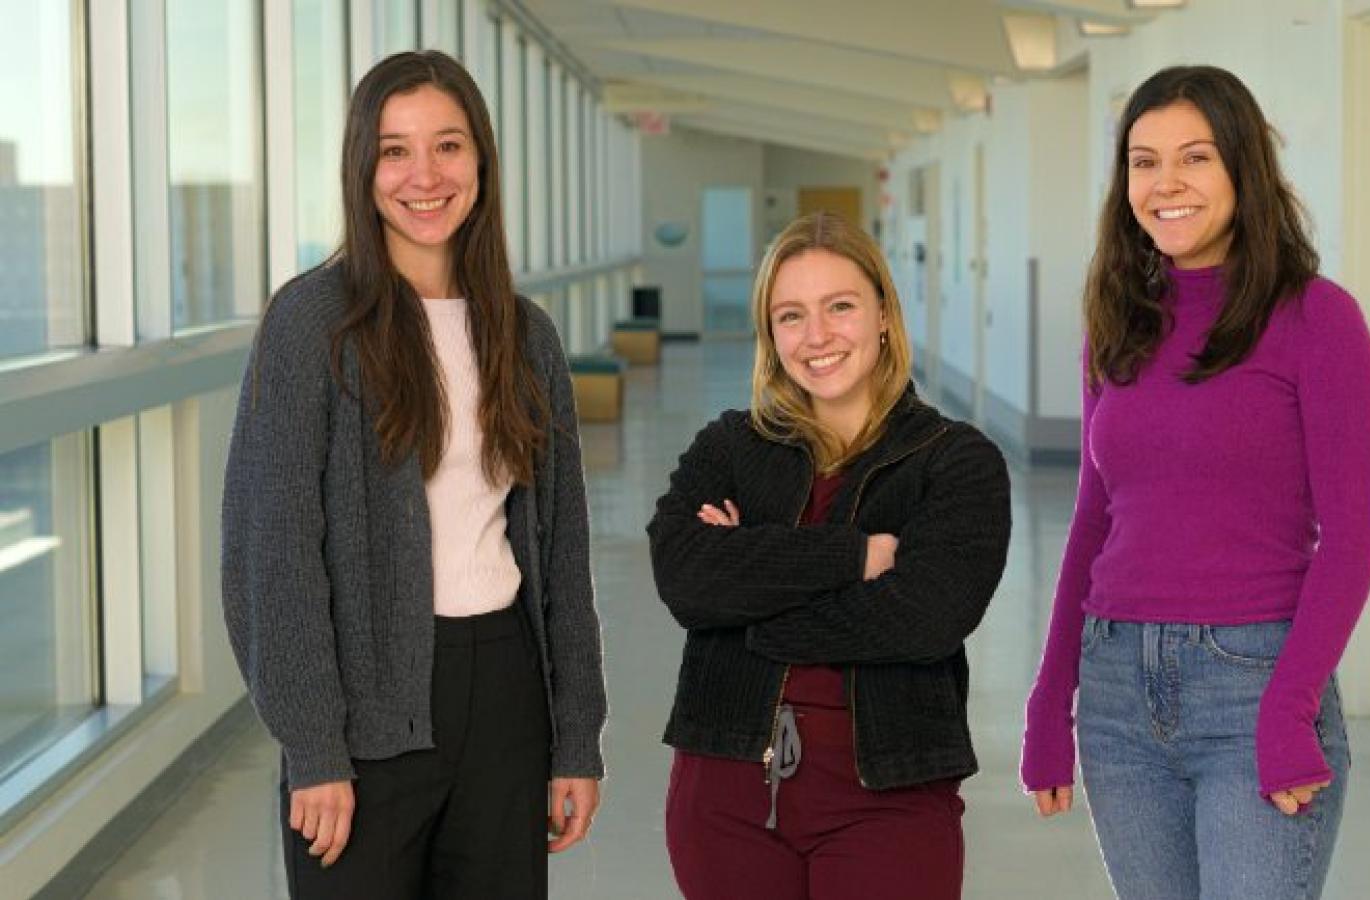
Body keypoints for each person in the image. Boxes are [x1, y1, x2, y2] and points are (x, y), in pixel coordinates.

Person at [221, 50, 605, 899]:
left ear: (482, 162)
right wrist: (313, 746)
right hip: (364, 712)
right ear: (363, 168)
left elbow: (562, 555)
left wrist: (576, 737)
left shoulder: (526, 335)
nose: (423, 176)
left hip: (505, 694)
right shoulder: (312, 324)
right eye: (395, 151)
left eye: (448, 146)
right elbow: (272, 552)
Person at [1019, 64, 1370, 899]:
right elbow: (1093, 518)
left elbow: (1354, 533)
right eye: (1143, 162)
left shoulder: (1317, 319)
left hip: (1254, 681)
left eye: (1196, 157)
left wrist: (1291, 708)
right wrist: (1051, 703)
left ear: (1243, 169)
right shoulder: (1117, 321)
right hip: (1116, 689)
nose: (1166, 183)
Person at [647, 211, 1010, 899]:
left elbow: (926, 618)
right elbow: (684, 579)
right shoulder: (727, 448)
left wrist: (750, 600)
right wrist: (851, 557)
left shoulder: (955, 463)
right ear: (770, 333)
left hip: (890, 791)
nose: (816, 337)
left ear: (882, 313)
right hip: (724, 789)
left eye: (839, 306)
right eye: (791, 315)